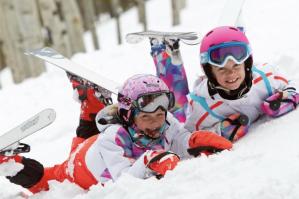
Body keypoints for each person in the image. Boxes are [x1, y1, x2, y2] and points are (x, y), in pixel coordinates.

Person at [0, 74, 232, 194]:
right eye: (146, 118)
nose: (155, 124)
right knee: (47, 180)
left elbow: (178, 139)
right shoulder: (115, 138)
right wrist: (151, 159)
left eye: (160, 116)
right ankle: (8, 162)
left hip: (93, 146)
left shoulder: (165, 120)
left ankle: (91, 101)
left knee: (86, 138)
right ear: (130, 115)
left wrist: (194, 140)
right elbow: (124, 180)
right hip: (80, 167)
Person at [150, 26, 299, 142]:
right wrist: (219, 131)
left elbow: (293, 84)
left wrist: (288, 97)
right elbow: (185, 138)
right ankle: (163, 50)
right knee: (177, 106)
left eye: (236, 66)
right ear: (209, 72)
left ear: (247, 64)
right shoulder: (202, 109)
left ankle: (233, 34)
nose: (231, 74)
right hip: (200, 100)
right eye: (222, 69)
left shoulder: (266, 78)